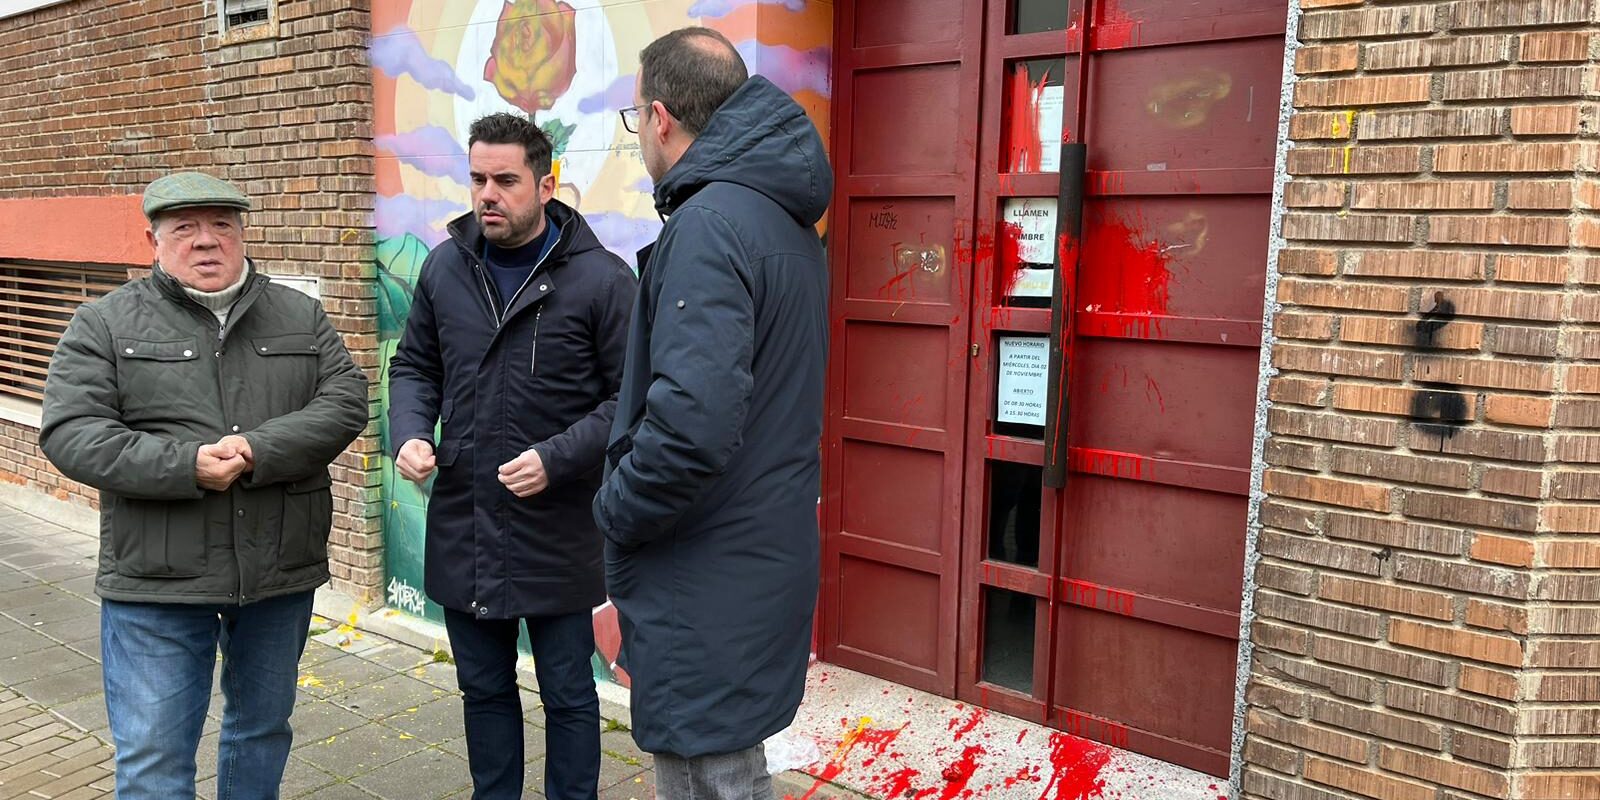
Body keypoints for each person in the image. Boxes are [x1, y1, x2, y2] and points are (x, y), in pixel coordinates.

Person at [39, 171, 369, 800]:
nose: (207, 241)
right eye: (184, 228)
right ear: (151, 240)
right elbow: (72, 433)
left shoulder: (299, 313)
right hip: (158, 577)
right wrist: (184, 464)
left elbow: (346, 399)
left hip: (277, 568)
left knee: (262, 732)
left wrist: (259, 448)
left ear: (243, 234)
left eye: (222, 225)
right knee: (155, 758)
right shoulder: (104, 323)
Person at [595, 27, 833, 800]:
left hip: (704, 572)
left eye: (634, 122)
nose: (639, 139)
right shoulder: (779, 219)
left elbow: (691, 426)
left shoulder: (710, 223)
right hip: (751, 555)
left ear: (661, 117)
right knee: (731, 766)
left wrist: (614, 508)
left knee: (712, 776)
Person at [387, 112, 636, 800]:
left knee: (567, 695)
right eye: (476, 179)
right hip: (467, 519)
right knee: (484, 691)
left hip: (558, 529)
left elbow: (629, 400)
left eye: (504, 180)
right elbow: (414, 367)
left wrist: (558, 457)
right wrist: (410, 430)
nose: (487, 194)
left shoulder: (603, 281)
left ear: (546, 184)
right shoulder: (446, 268)